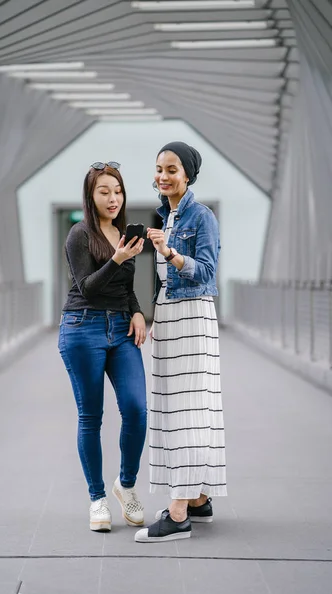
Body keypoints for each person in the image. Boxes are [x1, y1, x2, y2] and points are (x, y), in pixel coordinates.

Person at [135, 142, 227, 543]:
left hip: (192, 319)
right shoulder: (167, 215)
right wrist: (157, 313)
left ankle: (177, 514)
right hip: (172, 319)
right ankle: (199, 499)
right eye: (158, 168)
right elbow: (165, 282)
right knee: (187, 407)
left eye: (171, 168)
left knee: (188, 411)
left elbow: (205, 272)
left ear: (187, 174)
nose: (163, 175)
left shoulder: (200, 215)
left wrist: (170, 253)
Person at [58, 161, 147, 533]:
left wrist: (139, 312)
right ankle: (97, 499)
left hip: (121, 330)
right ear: (90, 196)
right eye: (104, 192)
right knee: (91, 416)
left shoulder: (123, 234)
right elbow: (88, 287)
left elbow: (125, 289)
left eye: (118, 191)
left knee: (137, 408)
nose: (113, 198)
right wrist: (118, 258)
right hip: (83, 328)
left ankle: (125, 485)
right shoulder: (79, 234)